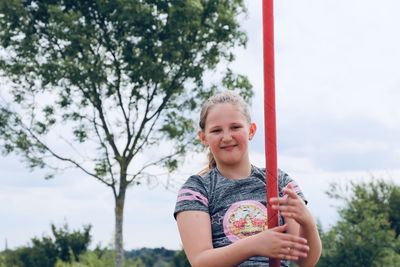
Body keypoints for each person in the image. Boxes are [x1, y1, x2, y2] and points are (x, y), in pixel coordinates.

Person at [174, 91, 322, 267]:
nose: (227, 137)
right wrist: (254, 245)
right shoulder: (196, 190)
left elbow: (306, 261)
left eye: (235, 127)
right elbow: (200, 262)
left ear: (251, 130)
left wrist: (308, 222)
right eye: (216, 130)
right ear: (203, 138)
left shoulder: (279, 182)